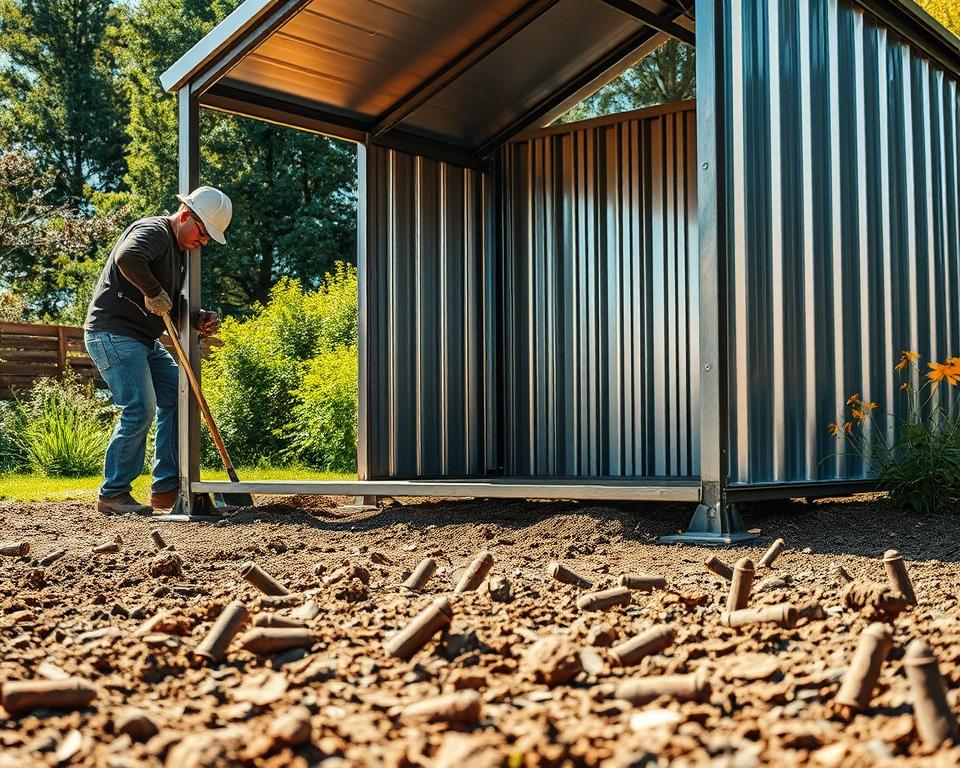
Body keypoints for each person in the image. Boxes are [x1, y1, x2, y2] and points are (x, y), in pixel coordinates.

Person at [83, 187, 232, 515]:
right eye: (203, 232)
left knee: (181, 395)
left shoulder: (179, 252)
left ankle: (166, 488)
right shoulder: (154, 230)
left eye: (209, 237)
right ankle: (114, 493)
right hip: (112, 333)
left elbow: (167, 305)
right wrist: (153, 291)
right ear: (184, 216)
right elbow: (128, 258)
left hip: (142, 340)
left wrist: (195, 318)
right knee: (140, 407)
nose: (204, 241)